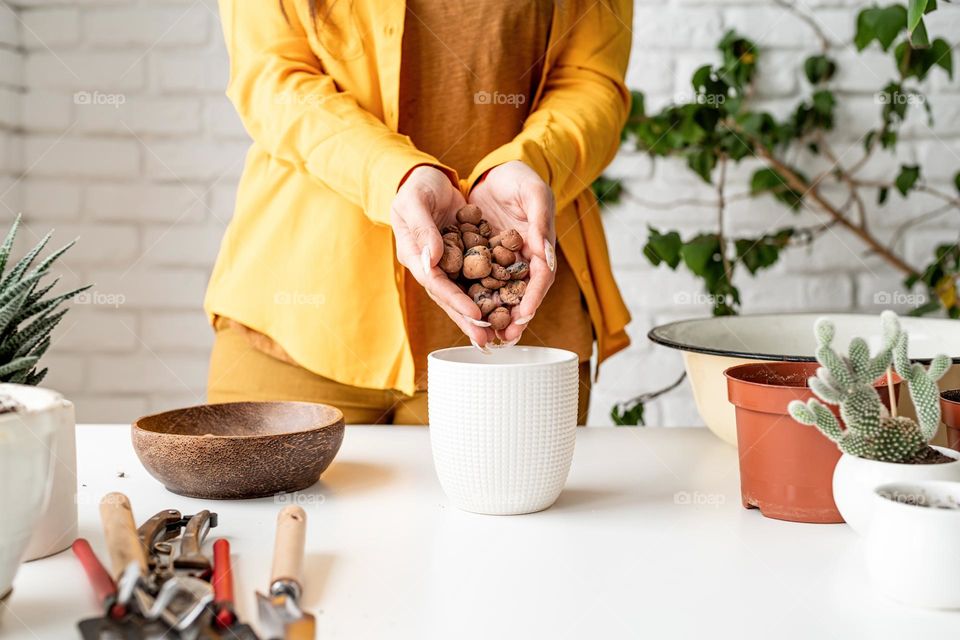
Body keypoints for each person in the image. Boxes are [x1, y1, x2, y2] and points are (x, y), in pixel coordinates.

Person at [205, 0, 633, 425]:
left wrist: (535, 160)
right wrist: (395, 174)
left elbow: (591, 82)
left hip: (519, 337)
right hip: (299, 319)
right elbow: (271, 77)